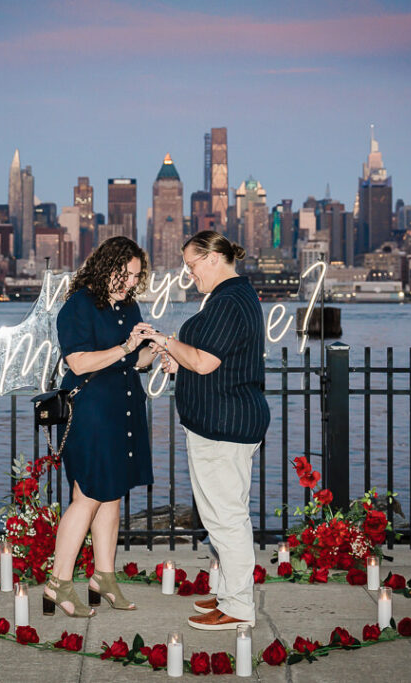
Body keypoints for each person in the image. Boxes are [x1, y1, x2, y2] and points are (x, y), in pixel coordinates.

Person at [145, 230, 270, 630]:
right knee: (222, 515)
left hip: (223, 425)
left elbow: (205, 362)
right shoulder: (232, 297)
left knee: (225, 518)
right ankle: (229, 594)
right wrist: (176, 357)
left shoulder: (229, 301)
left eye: (192, 264)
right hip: (223, 421)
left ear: (214, 258)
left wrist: (163, 340)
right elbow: (205, 358)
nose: (188, 273)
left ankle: (237, 607)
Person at [43, 236, 156, 618]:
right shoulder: (77, 306)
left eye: (136, 277)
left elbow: (135, 363)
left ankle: (103, 577)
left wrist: (150, 350)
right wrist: (127, 349)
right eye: (125, 275)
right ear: (107, 265)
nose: (130, 283)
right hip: (90, 412)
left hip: (123, 408)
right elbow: (78, 363)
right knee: (88, 494)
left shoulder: (128, 305)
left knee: (113, 493)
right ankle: (58, 582)